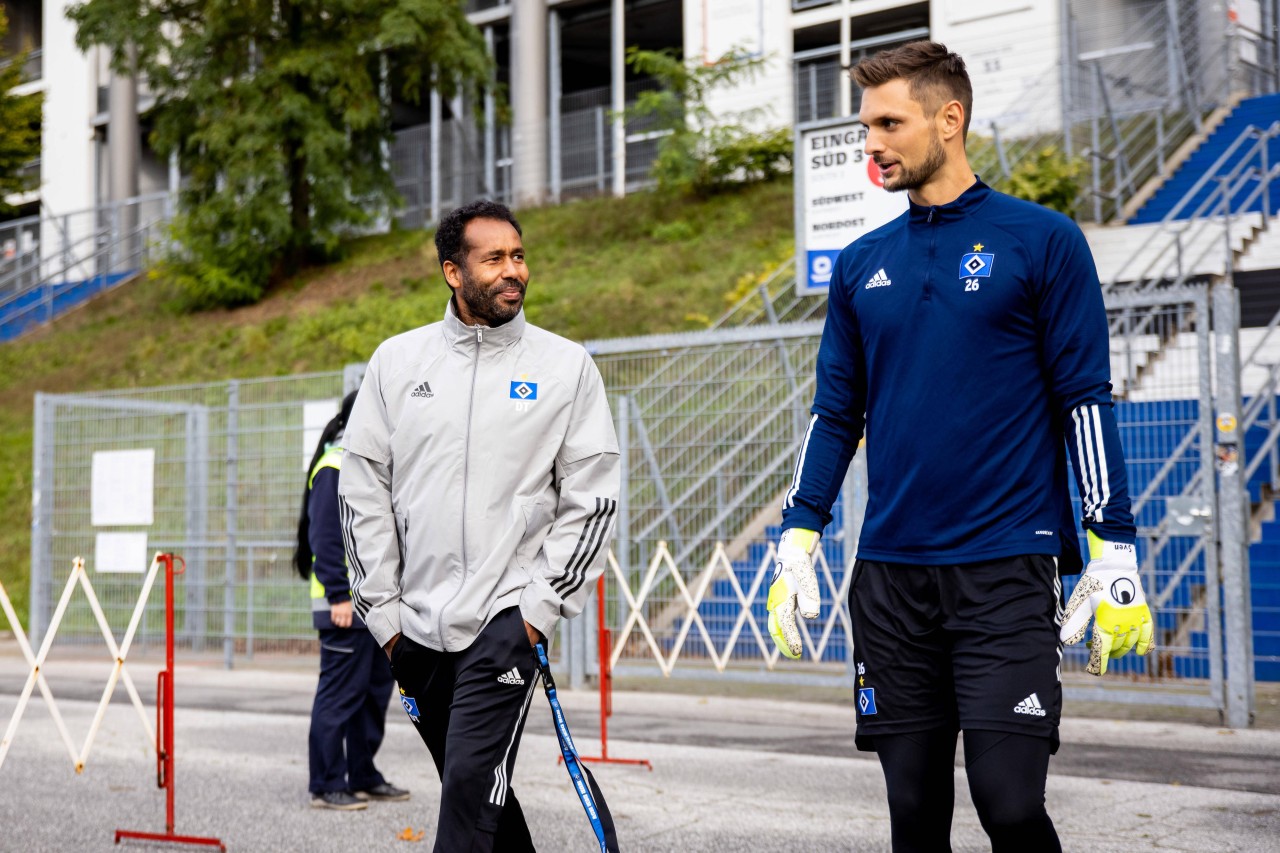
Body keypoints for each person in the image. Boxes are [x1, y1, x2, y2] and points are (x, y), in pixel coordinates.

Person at [766, 42, 1154, 852]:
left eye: (888, 122)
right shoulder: (861, 264)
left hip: (1005, 568)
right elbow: (835, 413)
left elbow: (1084, 399)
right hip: (891, 578)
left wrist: (1112, 546)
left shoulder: (1041, 240)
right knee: (913, 813)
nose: (871, 141)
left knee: (1008, 804)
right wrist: (799, 534)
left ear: (950, 119)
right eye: (865, 124)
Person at [338, 199, 621, 851]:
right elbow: (362, 492)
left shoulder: (564, 367)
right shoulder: (396, 363)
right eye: (493, 258)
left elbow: (593, 496)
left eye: (518, 255)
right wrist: (382, 616)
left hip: (504, 619)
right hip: (413, 628)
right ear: (452, 271)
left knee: (467, 794)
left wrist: (536, 609)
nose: (513, 270)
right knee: (479, 789)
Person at [295, 390, 409, 810]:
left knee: (372, 694)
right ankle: (326, 784)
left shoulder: (368, 466)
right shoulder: (335, 466)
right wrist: (339, 595)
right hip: (343, 608)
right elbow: (324, 538)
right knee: (340, 695)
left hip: (376, 608)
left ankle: (361, 774)